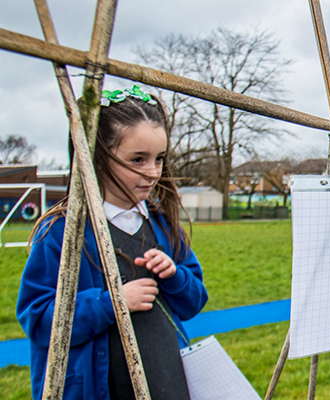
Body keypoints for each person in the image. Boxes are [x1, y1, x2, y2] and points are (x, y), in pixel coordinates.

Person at [16, 86, 208, 400]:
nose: (152, 172)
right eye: (138, 159)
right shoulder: (61, 232)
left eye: (159, 158)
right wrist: (112, 303)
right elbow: (38, 319)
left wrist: (175, 275)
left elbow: (194, 301)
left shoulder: (162, 225)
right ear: (98, 157)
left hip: (167, 383)